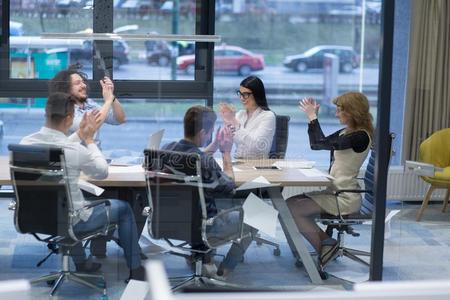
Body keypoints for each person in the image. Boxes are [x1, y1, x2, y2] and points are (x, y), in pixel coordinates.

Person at [20, 92, 145, 281]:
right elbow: (102, 172)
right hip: (71, 221)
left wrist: (79, 134)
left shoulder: (25, 144)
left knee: (67, 204)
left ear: (46, 113)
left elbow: (57, 147)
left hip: (35, 217)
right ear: (70, 118)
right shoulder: (74, 151)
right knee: (124, 209)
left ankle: (82, 263)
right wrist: (89, 140)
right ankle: (136, 270)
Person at [162, 105, 255, 278]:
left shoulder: (167, 149)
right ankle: (224, 269)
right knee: (257, 214)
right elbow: (230, 187)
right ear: (204, 133)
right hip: (205, 226)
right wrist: (226, 152)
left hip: (172, 222)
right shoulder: (205, 162)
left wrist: (214, 144)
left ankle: (197, 255)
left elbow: (195, 157)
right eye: (210, 133)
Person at [286, 92, 374, 265]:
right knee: (289, 204)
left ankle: (325, 248)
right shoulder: (347, 132)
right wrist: (313, 118)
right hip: (335, 192)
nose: (336, 114)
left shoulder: (360, 136)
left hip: (344, 197)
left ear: (352, 112)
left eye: (340, 110)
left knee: (292, 209)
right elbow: (316, 144)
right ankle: (327, 244)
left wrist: (312, 117)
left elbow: (320, 143)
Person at [48, 64, 126, 148]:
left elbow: (119, 119)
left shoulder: (88, 103)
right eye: (78, 83)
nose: (84, 85)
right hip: (74, 158)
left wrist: (112, 97)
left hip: (93, 155)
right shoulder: (62, 109)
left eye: (83, 82)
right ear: (66, 88)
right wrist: (108, 101)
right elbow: (90, 127)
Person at [218, 76, 276, 159]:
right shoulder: (240, 114)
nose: (242, 98)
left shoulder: (268, 116)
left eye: (245, 94)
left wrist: (234, 121)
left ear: (257, 94)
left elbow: (256, 147)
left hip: (258, 165)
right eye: (240, 94)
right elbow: (227, 142)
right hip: (239, 162)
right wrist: (227, 121)